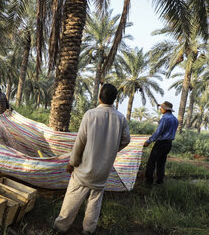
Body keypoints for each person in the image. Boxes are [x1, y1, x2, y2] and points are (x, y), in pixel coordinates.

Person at [53, 84, 131, 235]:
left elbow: (80, 142)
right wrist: (111, 150)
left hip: (84, 169)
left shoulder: (91, 114)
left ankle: (60, 227)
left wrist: (72, 163)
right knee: (95, 201)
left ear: (100, 96)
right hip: (103, 170)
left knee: (72, 198)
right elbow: (126, 140)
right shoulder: (120, 118)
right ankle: (88, 230)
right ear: (114, 100)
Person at [143, 101, 178, 185]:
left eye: (161, 108)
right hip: (168, 143)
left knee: (151, 161)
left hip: (161, 143)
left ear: (166, 109)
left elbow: (158, 132)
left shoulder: (165, 119)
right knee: (161, 162)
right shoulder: (175, 120)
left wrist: (148, 141)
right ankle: (159, 181)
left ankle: (149, 181)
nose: (160, 109)